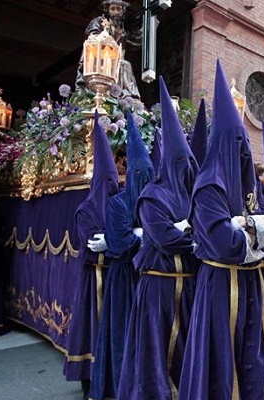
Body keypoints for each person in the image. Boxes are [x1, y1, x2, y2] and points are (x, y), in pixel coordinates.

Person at [178, 60, 264, 400]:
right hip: (222, 287)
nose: (243, 152)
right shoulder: (210, 186)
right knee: (221, 367)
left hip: (253, 284)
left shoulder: (248, 182)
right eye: (236, 144)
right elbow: (226, 244)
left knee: (254, 361)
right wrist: (256, 231)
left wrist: (248, 224)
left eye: (245, 144)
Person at [117, 76, 200, 399]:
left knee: (184, 353)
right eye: (183, 163)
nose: (188, 169)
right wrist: (193, 235)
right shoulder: (152, 196)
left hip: (188, 286)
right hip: (159, 287)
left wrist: (190, 229)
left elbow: (198, 227)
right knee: (156, 352)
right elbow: (165, 237)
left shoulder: (192, 195)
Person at [88, 110, 154, 400]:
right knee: (122, 334)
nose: (146, 180)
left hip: (144, 277)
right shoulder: (118, 204)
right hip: (124, 278)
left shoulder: (151, 201)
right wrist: (144, 236)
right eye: (142, 175)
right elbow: (120, 243)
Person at [63, 111, 120, 400]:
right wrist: (115, 241)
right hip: (93, 279)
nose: (112, 187)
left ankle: (108, 379)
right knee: (90, 330)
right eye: (107, 182)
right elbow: (93, 243)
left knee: (109, 332)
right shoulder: (86, 209)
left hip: (111, 278)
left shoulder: (118, 205)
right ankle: (88, 381)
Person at [76, 0, 142, 99]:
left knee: (125, 65)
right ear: (107, 10)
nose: (116, 12)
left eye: (119, 9)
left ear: (123, 11)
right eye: (113, 9)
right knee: (123, 64)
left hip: (116, 62)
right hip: (98, 59)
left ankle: (130, 99)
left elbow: (134, 41)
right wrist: (105, 37)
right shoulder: (99, 22)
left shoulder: (123, 28)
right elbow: (93, 36)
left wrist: (149, 29)